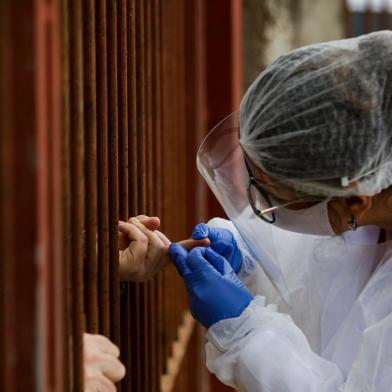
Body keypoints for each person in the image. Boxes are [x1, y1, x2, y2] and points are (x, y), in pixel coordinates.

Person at [122, 30, 392, 391]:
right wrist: (244, 254)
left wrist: (245, 335)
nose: (259, 206)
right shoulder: (362, 204)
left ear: (356, 200)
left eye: (273, 194)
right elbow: (313, 268)